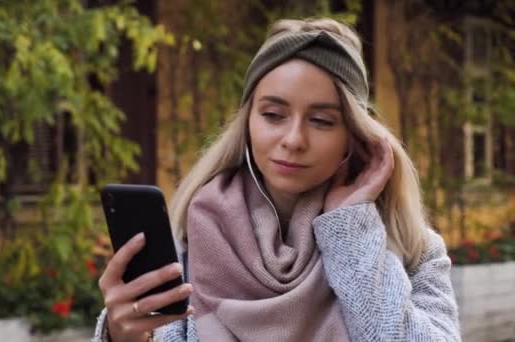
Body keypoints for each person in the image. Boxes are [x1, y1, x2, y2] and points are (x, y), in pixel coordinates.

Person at [94, 18, 461, 342]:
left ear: (353, 135)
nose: (294, 140)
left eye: (321, 121)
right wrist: (121, 338)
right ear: (249, 123)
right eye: (273, 114)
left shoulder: (413, 250)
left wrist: (349, 231)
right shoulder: (186, 247)